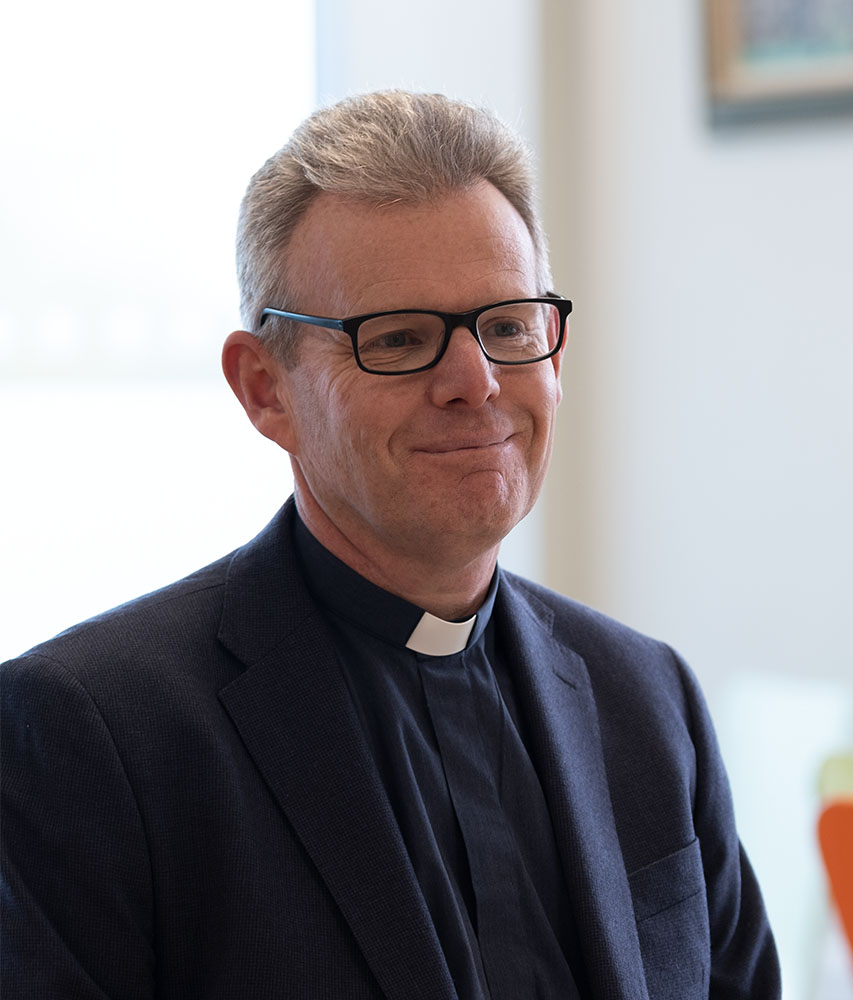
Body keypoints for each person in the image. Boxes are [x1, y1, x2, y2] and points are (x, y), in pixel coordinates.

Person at [1, 91, 780, 999]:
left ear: (554, 357)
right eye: (400, 339)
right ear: (264, 390)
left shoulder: (648, 701)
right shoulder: (92, 734)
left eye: (507, 327)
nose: (475, 382)